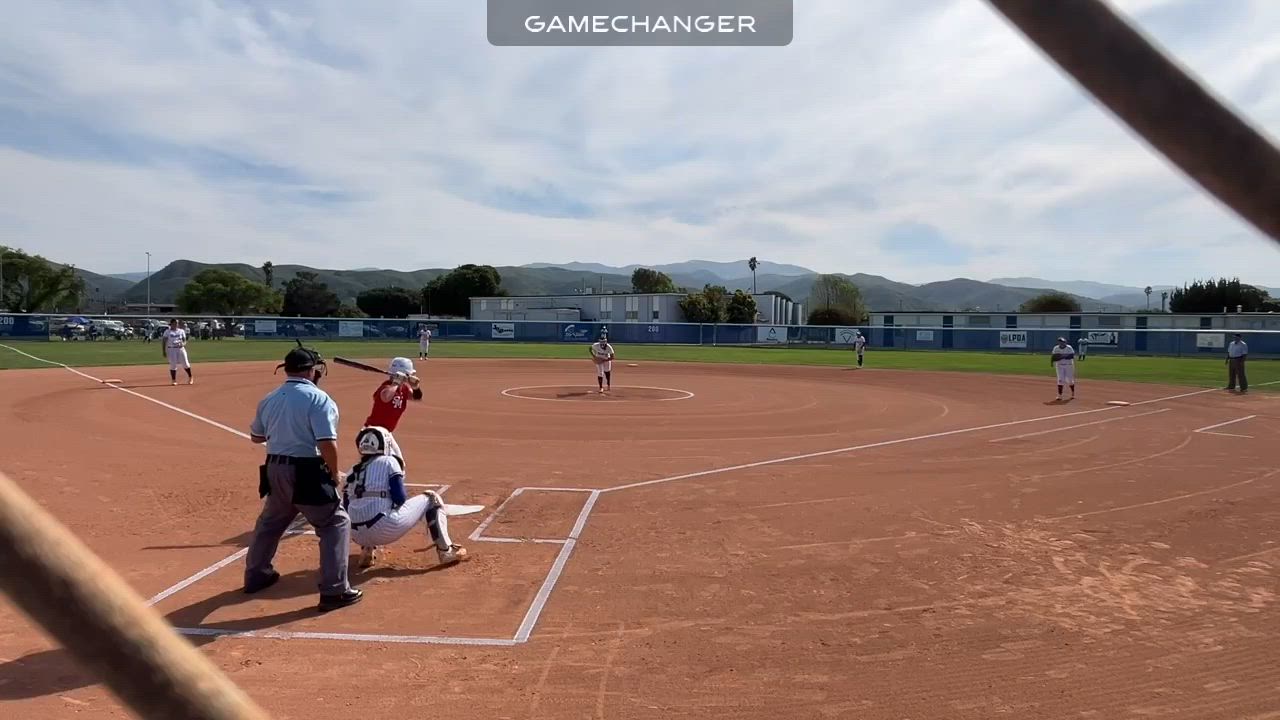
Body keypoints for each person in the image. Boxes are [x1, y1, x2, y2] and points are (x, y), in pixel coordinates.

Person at [244, 344, 362, 612]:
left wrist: (282, 429)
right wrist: (334, 473)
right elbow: (326, 443)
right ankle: (334, 591)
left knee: (270, 522)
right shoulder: (319, 399)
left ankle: (256, 575)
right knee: (335, 523)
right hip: (306, 469)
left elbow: (256, 437)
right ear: (311, 371)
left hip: (274, 468)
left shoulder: (270, 398)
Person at [343, 426, 468, 569]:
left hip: (356, 535)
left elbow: (346, 507)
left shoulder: (351, 471)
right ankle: (446, 551)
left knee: (364, 505)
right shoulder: (389, 461)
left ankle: (367, 550)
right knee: (431, 498)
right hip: (385, 529)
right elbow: (400, 498)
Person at [364, 357, 423, 432]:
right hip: (372, 431)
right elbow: (386, 397)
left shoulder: (404, 388)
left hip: (386, 432)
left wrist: (415, 387)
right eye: (409, 374)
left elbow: (417, 398)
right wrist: (396, 382)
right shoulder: (386, 386)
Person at [162, 319, 193, 386]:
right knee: (173, 365)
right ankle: (174, 380)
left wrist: (183, 344)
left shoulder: (181, 331)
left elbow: (184, 340)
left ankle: (190, 377)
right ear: (171, 324)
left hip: (180, 349)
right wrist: (164, 351)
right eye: (175, 323)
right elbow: (164, 341)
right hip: (171, 349)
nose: (176, 324)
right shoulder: (167, 332)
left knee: (185, 364)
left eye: (177, 323)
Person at [1050, 337, 1076, 401]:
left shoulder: (1069, 347)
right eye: (1060, 342)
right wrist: (1051, 362)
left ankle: (1072, 393)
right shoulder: (1056, 348)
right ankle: (1060, 395)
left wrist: (1061, 356)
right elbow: (1054, 356)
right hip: (1059, 366)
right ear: (1058, 342)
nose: (1062, 343)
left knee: (1070, 380)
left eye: (1063, 342)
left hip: (1069, 366)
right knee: (1060, 380)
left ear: (1065, 342)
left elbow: (1071, 356)